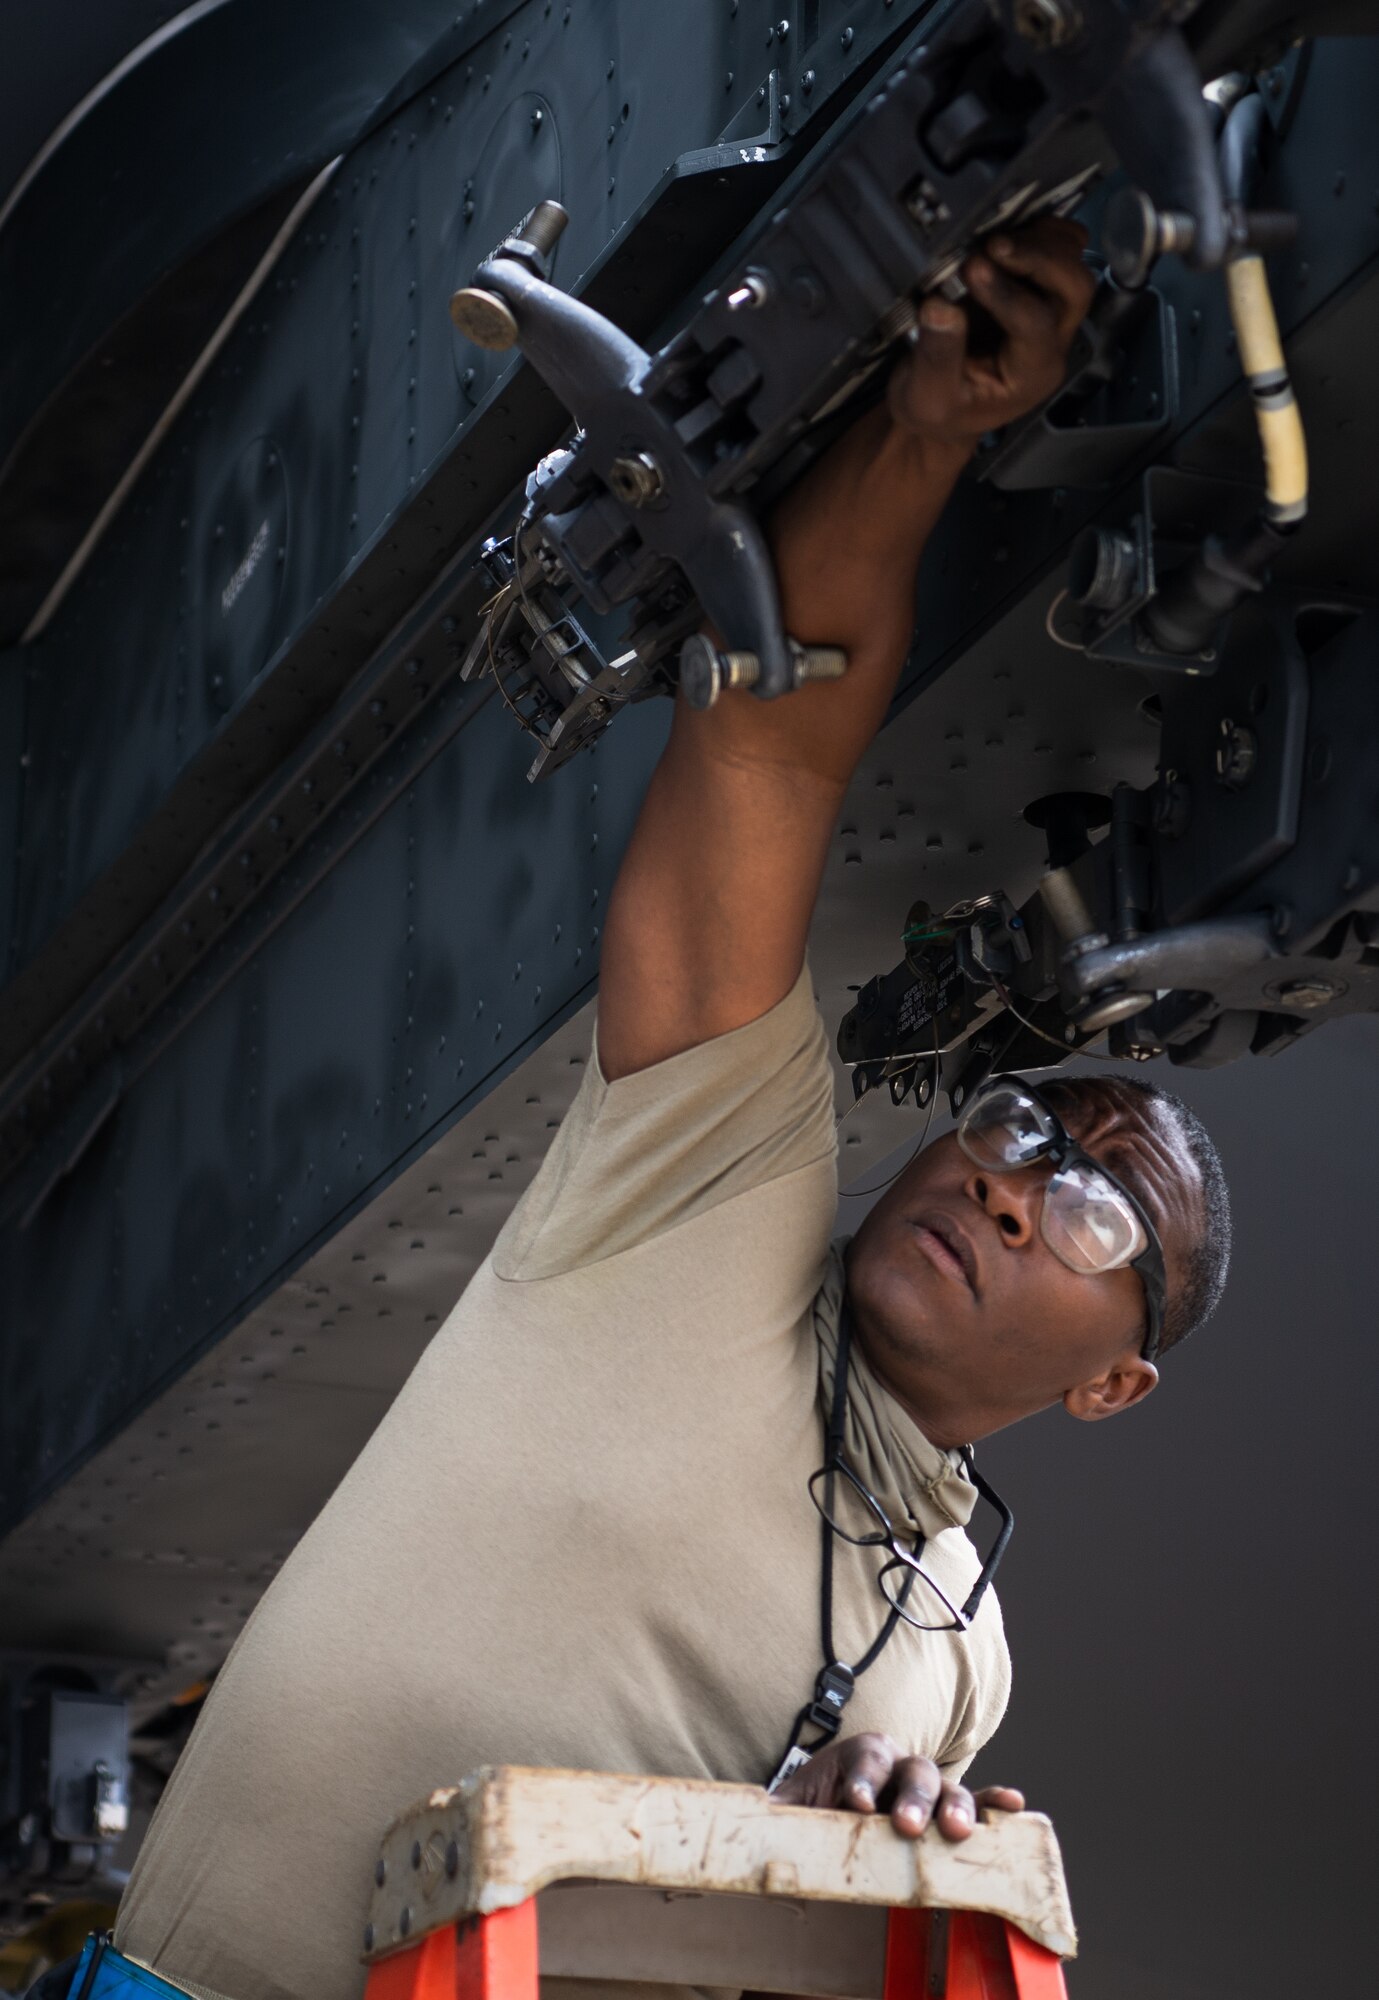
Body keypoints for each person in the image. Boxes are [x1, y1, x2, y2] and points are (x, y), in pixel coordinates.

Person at [109, 218, 1230, 2000]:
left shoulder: (959, 1654)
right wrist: (925, 430)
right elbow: (773, 751)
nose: (1019, 1191)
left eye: (1096, 1215)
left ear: (1114, 1381)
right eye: (1021, 1129)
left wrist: (870, 1839)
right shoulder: (703, 1201)